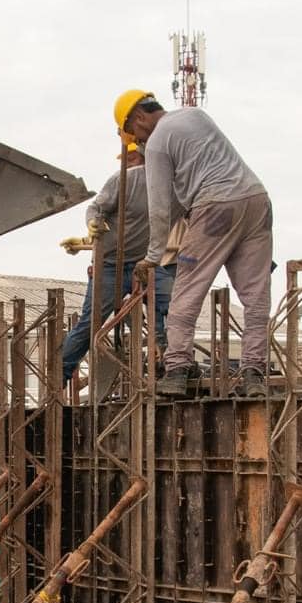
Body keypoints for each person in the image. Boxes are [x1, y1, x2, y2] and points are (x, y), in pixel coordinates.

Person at [117, 90, 273, 398]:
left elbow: (160, 209)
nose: (138, 141)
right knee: (256, 295)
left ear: (139, 118)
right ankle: (254, 373)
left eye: (134, 134)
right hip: (257, 200)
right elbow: (179, 202)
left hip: (215, 209)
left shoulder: (158, 142)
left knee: (186, 289)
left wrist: (152, 257)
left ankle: (176, 369)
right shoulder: (195, 115)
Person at [57, 137, 174, 384]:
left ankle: (170, 366)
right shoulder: (123, 181)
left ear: (146, 158)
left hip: (146, 264)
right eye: (127, 160)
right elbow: (96, 209)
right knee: (91, 324)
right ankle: (58, 376)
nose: (129, 164)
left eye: (132, 158)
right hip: (111, 266)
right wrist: (93, 225)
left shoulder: (168, 185)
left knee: (175, 306)